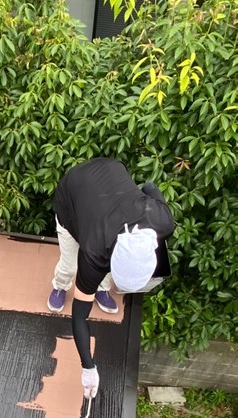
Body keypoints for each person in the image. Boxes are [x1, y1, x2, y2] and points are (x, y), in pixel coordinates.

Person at [47, 157, 175, 399]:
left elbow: (149, 187)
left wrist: (132, 204)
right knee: (69, 264)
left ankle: (101, 288)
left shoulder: (162, 220)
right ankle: (59, 285)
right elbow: (79, 315)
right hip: (74, 193)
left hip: (112, 170)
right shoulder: (94, 252)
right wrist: (88, 366)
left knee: (100, 275)